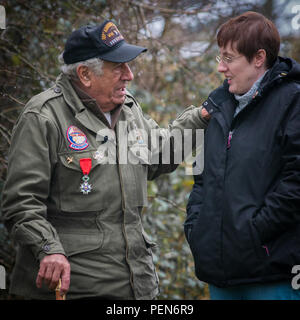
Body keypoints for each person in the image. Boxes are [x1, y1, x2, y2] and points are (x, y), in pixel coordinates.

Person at [1, 20, 208, 300]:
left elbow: (160, 156)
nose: (129, 75)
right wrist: (49, 248)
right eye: (118, 67)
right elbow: (21, 203)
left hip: (137, 287)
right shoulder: (43, 118)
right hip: (75, 289)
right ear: (85, 74)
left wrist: (201, 118)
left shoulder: (128, 110)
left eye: (129, 65)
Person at [185, 11, 300, 300]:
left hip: (272, 274)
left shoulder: (293, 102)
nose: (221, 68)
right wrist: (197, 227)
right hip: (221, 274)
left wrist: (254, 232)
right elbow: (202, 177)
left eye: (229, 58)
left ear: (258, 58)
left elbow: (296, 182)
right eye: (219, 58)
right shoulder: (220, 106)